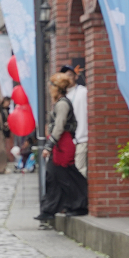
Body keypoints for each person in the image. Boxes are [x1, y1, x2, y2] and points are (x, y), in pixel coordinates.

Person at [35, 71, 89, 228]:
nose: (49, 88)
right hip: (61, 143)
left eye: (52, 85)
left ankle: (74, 204)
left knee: (62, 174)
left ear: (57, 88)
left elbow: (59, 126)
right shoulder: (61, 102)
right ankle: (54, 208)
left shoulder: (62, 104)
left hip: (63, 144)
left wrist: (49, 146)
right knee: (58, 175)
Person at [60, 65, 89, 177]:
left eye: (70, 75)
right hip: (67, 141)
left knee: (80, 170)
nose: (67, 78)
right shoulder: (62, 95)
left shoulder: (83, 92)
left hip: (81, 137)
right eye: (65, 76)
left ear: (76, 77)